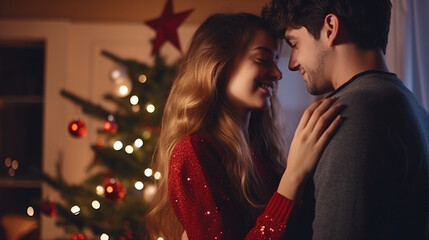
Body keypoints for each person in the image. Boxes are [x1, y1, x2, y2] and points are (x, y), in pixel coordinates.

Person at [144, 13, 344, 240]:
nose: (278, 74)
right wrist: (294, 176)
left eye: (275, 61)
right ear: (219, 64)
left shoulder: (261, 149)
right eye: (262, 59)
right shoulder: (194, 152)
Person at [262, 0, 429, 239]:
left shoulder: (348, 117)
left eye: (294, 44)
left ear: (330, 28)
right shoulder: (412, 107)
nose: (292, 63)